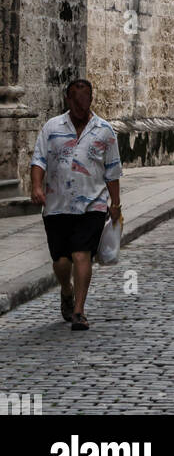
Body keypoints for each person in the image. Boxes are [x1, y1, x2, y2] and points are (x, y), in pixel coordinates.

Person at [30, 78, 123, 331]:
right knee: (61, 262)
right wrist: (37, 186)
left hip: (92, 204)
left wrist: (115, 204)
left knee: (82, 254)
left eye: (86, 100)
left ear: (91, 99)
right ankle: (66, 288)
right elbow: (38, 160)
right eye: (76, 100)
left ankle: (79, 311)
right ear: (68, 100)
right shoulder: (52, 127)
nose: (81, 106)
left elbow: (112, 171)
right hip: (56, 205)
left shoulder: (104, 131)